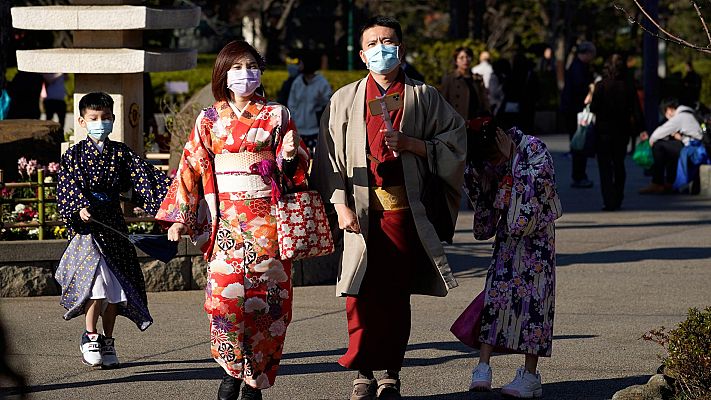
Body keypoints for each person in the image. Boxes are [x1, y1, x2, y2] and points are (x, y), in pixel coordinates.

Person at [313, 16, 467, 400]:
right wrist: (339, 205)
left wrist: (415, 145)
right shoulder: (344, 98)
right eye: (374, 43)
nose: (382, 48)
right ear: (363, 54)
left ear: (400, 49)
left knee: (396, 295)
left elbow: (456, 139)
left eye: (389, 41)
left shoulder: (423, 96)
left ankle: (391, 373)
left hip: (401, 211)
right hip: (359, 214)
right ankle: (362, 371)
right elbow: (327, 158)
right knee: (358, 294)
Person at [156, 40, 309, 400]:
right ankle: (230, 369)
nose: (245, 74)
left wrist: (287, 156)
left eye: (252, 66)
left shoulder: (277, 115)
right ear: (223, 75)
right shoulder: (208, 119)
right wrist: (180, 217)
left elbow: (299, 168)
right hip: (225, 220)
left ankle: (256, 377)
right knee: (224, 301)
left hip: (268, 223)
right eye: (237, 67)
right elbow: (191, 167)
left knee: (270, 302)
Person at [55, 92, 171, 369]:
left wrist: (173, 192)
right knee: (95, 287)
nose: (100, 123)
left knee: (115, 291)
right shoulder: (74, 155)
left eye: (105, 118)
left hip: (113, 227)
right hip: (88, 229)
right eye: (94, 118)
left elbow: (144, 176)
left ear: (113, 119)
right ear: (82, 121)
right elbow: (66, 186)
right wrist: (79, 206)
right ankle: (90, 334)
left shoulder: (120, 152)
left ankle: (108, 340)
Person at [461, 118, 561, 398]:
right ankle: (483, 366)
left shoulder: (533, 148)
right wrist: (485, 178)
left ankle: (530, 374)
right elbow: (481, 193)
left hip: (538, 236)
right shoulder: (484, 157)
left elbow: (544, 187)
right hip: (508, 235)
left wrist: (513, 160)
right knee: (496, 295)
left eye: (494, 156)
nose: (493, 161)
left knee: (536, 300)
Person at [590, 54, 645, 211]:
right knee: (619, 164)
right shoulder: (628, 85)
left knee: (605, 167)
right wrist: (642, 129)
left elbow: (593, 108)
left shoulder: (601, 85)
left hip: (603, 131)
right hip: (622, 130)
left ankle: (608, 200)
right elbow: (636, 110)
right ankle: (618, 197)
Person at [639, 98, 703, 194]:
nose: (666, 117)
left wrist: (651, 141)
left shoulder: (680, 117)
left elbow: (660, 132)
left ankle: (657, 183)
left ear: (669, 109)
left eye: (665, 113)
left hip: (693, 150)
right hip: (697, 147)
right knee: (670, 148)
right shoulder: (689, 113)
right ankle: (670, 183)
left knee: (659, 146)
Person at [560, 41, 596, 188]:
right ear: (586, 53)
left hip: (572, 109)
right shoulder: (578, 69)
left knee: (578, 143)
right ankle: (579, 175)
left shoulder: (575, 66)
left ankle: (579, 175)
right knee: (579, 143)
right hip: (576, 110)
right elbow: (580, 88)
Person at [288, 52, 332, 155]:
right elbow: (292, 103)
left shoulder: (321, 82)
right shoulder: (297, 82)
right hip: (299, 129)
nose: (299, 66)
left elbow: (328, 103)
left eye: (301, 63)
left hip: (315, 130)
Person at [441, 46, 490, 121]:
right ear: (456, 61)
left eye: (468, 57)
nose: (465, 60)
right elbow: (444, 103)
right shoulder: (449, 79)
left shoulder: (477, 79)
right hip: (456, 122)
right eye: (461, 58)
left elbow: (483, 102)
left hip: (475, 122)